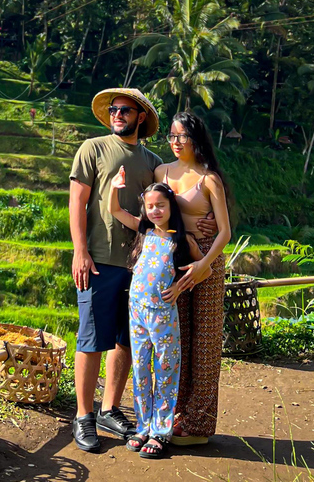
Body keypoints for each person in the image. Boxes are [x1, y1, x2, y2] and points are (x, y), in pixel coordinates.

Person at [69, 88, 162, 453]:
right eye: (114, 109)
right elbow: (77, 201)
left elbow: (163, 211)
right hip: (99, 259)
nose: (117, 114)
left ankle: (109, 409)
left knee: (127, 338)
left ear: (141, 117)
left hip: (140, 265)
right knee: (91, 337)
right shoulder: (93, 149)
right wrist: (80, 251)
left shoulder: (152, 162)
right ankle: (83, 415)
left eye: (125, 110)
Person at [108, 169, 203, 459]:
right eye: (150, 206)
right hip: (136, 314)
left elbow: (204, 268)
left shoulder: (182, 241)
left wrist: (180, 287)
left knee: (164, 372)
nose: (155, 210)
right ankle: (143, 427)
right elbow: (114, 209)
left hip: (163, 316)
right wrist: (114, 186)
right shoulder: (144, 231)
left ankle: (161, 433)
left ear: (171, 206)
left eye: (160, 205)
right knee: (140, 371)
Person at [154, 112, 232, 446]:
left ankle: (198, 424)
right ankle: (176, 413)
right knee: (177, 337)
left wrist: (205, 266)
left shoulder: (209, 179)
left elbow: (225, 232)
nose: (175, 141)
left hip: (207, 265)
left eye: (181, 136)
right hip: (173, 261)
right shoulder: (161, 172)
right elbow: (151, 210)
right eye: (171, 135)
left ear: (195, 139)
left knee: (206, 342)